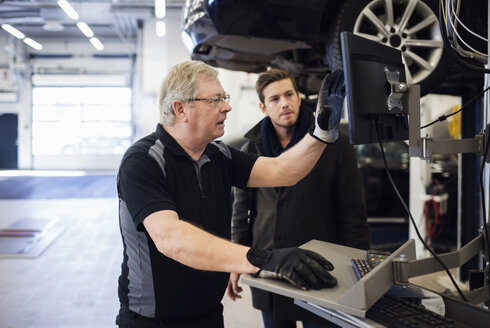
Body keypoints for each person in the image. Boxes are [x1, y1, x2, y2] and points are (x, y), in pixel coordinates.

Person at [115, 61, 346, 328]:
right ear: (180, 109)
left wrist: (322, 132)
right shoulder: (144, 159)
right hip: (153, 322)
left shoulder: (219, 155)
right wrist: (264, 259)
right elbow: (171, 238)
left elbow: (283, 170)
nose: (227, 106)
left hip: (209, 315)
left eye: (224, 98)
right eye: (215, 100)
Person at [226, 68, 370, 328]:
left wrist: (359, 270)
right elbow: (241, 213)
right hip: (269, 268)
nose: (284, 103)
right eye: (274, 99)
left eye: (289, 94)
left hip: (321, 269)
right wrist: (236, 262)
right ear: (263, 107)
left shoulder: (333, 145)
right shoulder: (252, 148)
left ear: (299, 97)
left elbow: (353, 213)